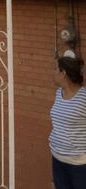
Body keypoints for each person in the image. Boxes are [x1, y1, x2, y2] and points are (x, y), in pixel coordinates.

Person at [50, 54, 86, 188]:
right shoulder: (59, 93)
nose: (53, 73)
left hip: (79, 164)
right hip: (57, 158)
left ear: (63, 73)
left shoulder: (84, 97)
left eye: (55, 69)